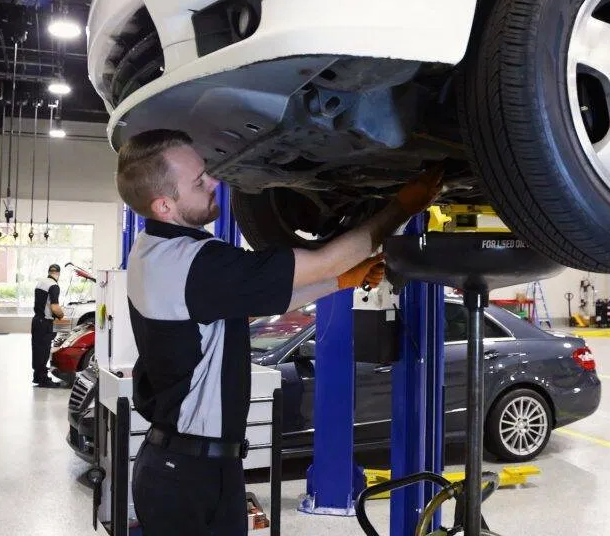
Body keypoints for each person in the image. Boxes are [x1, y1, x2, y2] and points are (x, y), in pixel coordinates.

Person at [116, 129, 442, 536]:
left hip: (188, 468)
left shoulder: (153, 251)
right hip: (188, 477)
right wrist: (401, 207)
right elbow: (323, 259)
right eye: (199, 182)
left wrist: (341, 281)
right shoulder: (194, 264)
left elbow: (254, 300)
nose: (213, 183)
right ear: (164, 204)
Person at [31, 263, 66, 388]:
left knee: (37, 350)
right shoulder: (54, 286)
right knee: (44, 350)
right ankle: (43, 379)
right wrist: (62, 315)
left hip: (36, 320)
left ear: (49, 272)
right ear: (58, 274)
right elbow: (54, 307)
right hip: (45, 323)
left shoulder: (41, 282)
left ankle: (37, 376)